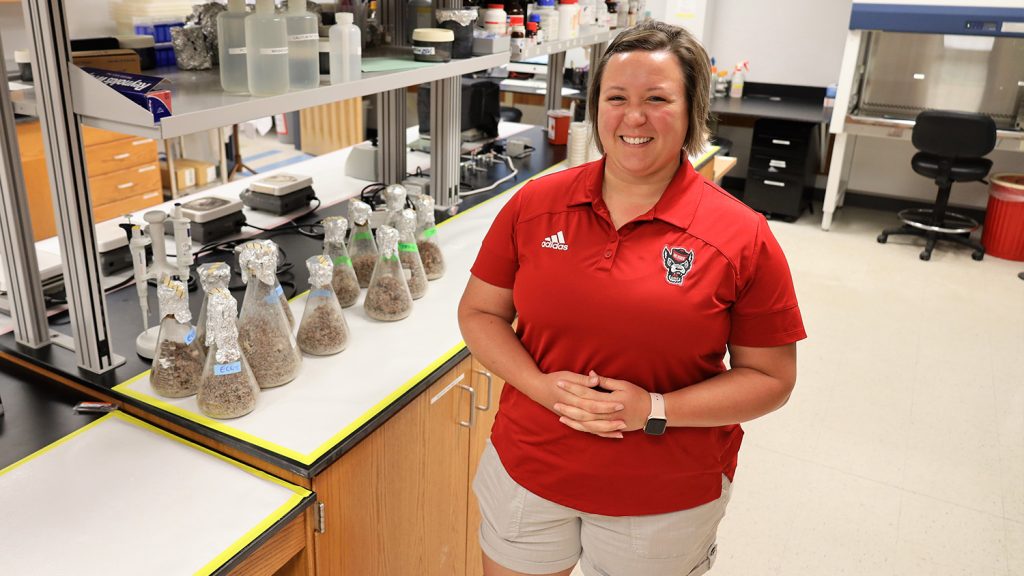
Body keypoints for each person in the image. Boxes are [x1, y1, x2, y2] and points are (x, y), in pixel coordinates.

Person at [458, 19, 806, 576]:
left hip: (663, 496)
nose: (634, 117)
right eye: (616, 97)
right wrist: (540, 388)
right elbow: (479, 312)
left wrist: (654, 409)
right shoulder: (536, 204)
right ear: (596, 108)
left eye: (657, 99)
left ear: (693, 112)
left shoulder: (741, 236)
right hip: (529, 467)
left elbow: (772, 379)